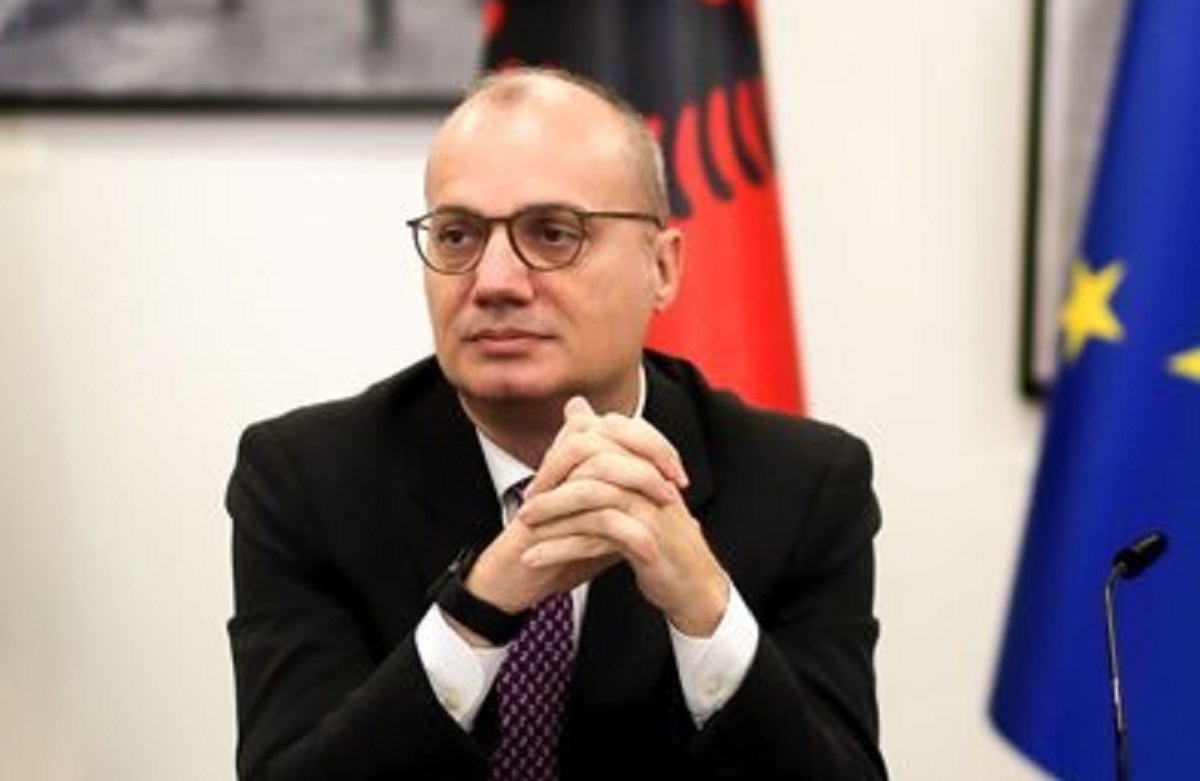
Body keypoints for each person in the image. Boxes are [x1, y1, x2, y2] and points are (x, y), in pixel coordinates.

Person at [225, 65, 887, 780]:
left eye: (552, 234)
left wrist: (706, 609)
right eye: (457, 235)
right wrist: (480, 609)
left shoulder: (803, 485)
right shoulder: (307, 478)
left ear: (663, 268)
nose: (494, 282)